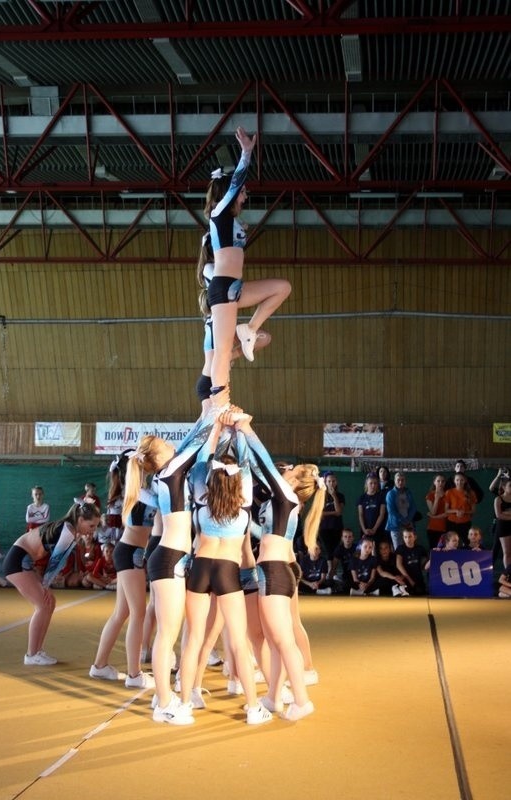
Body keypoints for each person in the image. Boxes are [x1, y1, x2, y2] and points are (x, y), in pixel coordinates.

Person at [178, 420, 272, 726]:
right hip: (228, 572)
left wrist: (217, 428)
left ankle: (183, 702)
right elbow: (245, 463)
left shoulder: (201, 502)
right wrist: (238, 429)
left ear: (212, 480)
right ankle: (254, 706)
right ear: (237, 482)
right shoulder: (243, 505)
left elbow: (202, 461)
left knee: (193, 639)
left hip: (201, 567)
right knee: (237, 641)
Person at [235, 412, 324, 721]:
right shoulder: (285, 502)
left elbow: (263, 461)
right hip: (275, 569)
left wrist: (246, 428)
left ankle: (301, 700)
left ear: (295, 481)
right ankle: (274, 696)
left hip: (274, 571)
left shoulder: (285, 495)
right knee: (275, 639)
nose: (285, 470)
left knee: (283, 639)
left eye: (292, 469)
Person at [205, 126, 291, 406]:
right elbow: (235, 184)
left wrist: (243, 232)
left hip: (235, 287)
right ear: (229, 193)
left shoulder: (230, 222)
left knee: (282, 288)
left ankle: (251, 329)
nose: (244, 197)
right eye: (242, 194)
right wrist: (246, 153)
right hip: (222, 289)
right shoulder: (219, 211)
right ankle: (220, 399)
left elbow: (234, 239)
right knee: (220, 351)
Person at [147, 413, 217, 723]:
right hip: (169, 558)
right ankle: (164, 704)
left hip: (171, 557)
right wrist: (214, 414)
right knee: (167, 634)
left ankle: (162, 695)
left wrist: (209, 416)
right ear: (158, 457)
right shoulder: (171, 470)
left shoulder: (167, 472)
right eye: (165, 444)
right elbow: (196, 443)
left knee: (168, 633)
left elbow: (189, 443)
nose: (171, 445)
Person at [90, 441, 163, 689]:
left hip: (129, 551)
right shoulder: (138, 492)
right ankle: (134, 674)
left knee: (122, 613)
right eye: (142, 465)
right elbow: (162, 501)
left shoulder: (137, 491)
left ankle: (99, 666)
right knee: (137, 614)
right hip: (130, 552)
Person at [2, 502, 101, 665]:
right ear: (81, 519)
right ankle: (31, 654)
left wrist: (45, 584)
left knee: (50, 602)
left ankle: (38, 650)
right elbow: (56, 561)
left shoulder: (71, 531)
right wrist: (45, 585)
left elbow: (58, 560)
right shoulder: (68, 530)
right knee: (42, 604)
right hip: (17, 560)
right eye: (91, 525)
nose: (93, 530)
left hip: (24, 561)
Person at [195, 232, 271, 417]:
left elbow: (265, 339)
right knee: (206, 427)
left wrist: (233, 353)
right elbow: (222, 284)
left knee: (263, 337)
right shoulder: (209, 269)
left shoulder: (223, 328)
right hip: (209, 384)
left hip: (214, 381)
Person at [317, 472, 344, 574]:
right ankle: (330, 573)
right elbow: (319, 513)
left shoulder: (340, 496)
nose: (331, 483)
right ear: (325, 482)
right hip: (324, 528)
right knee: (328, 550)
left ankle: (333, 573)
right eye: (329, 481)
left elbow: (339, 512)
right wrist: (333, 512)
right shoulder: (321, 495)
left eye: (333, 481)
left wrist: (334, 496)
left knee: (336, 551)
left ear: (336, 482)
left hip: (337, 527)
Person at [385, 472, 418, 550]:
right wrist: (404, 521)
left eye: (402, 480)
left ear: (405, 481)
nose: (400, 482)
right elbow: (391, 511)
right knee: (399, 550)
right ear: (395, 481)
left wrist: (408, 520)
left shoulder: (408, 492)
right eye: (398, 480)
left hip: (409, 526)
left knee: (410, 548)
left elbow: (413, 508)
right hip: (396, 527)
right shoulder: (390, 494)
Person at [444, 473, 477, 546]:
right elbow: (446, 510)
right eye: (457, 480)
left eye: (461, 480)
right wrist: (456, 511)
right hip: (451, 523)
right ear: (454, 481)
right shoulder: (449, 492)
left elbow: (473, 510)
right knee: (451, 544)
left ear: (465, 481)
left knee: (468, 544)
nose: (459, 482)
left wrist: (464, 512)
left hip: (465, 523)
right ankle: (451, 557)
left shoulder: (471, 493)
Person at [357, 472, 387, 546]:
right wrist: (364, 530)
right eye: (371, 483)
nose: (373, 485)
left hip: (378, 530)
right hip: (365, 530)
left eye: (375, 483)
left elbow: (382, 514)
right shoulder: (361, 498)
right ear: (366, 483)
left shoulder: (381, 497)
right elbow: (360, 515)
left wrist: (374, 529)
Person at [395, 527, 428, 595]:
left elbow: (425, 565)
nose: (407, 539)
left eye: (410, 536)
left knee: (421, 592)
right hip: (406, 578)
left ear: (415, 537)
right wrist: (410, 580)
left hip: (418, 579)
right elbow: (398, 565)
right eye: (405, 537)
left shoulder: (420, 549)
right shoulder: (400, 548)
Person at [329, 528, 357, 592]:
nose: (347, 539)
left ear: (353, 538)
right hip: (346, 575)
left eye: (350, 537)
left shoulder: (357, 548)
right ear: (342, 538)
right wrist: (330, 582)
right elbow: (333, 567)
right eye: (345, 537)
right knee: (346, 588)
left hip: (357, 574)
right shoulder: (339, 549)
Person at [425, 474, 448, 550]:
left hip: (445, 528)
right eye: (438, 481)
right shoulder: (430, 495)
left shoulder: (448, 495)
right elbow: (433, 512)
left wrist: (434, 517)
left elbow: (447, 513)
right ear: (434, 482)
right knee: (434, 551)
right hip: (433, 528)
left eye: (442, 481)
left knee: (445, 552)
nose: (440, 483)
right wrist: (436, 499)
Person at [494, 478, 511, 569]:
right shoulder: (498, 499)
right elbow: (499, 515)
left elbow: (503, 514)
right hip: (503, 527)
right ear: (504, 487)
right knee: (507, 552)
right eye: (510, 486)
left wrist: (506, 513)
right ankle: (508, 574)